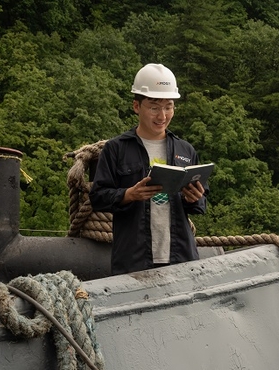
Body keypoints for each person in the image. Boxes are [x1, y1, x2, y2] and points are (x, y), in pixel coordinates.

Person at [89, 63, 208, 275]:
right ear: (137, 106)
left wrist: (195, 198)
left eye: (168, 107)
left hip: (181, 259)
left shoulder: (185, 150)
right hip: (133, 260)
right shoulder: (115, 149)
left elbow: (200, 206)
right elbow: (97, 197)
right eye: (154, 107)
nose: (162, 116)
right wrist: (128, 195)